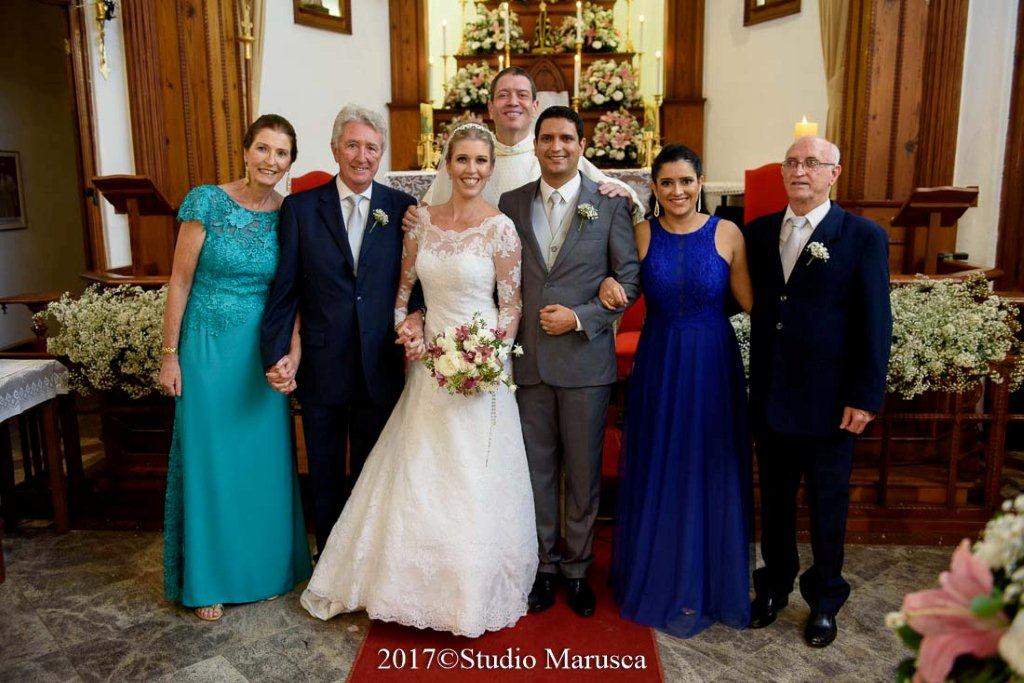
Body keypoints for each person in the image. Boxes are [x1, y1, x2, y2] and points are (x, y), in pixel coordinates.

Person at [300, 123, 537, 638]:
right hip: (429, 363)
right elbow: (403, 292)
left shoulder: (500, 228)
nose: (471, 169)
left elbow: (511, 304)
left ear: (490, 168)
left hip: (480, 365)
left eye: (481, 161)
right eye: (462, 159)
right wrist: (406, 329)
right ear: (447, 165)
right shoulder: (420, 220)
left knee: (471, 474)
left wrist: (489, 358)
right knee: (420, 468)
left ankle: (468, 590)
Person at [160, 114, 311, 622]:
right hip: (207, 349)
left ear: (291, 163)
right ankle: (209, 581)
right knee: (211, 462)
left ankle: (264, 572)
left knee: (261, 464)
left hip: (261, 353)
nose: (271, 160)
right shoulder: (206, 201)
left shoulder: (288, 213)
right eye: (263, 149)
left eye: (281, 153)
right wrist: (169, 353)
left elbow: (293, 292)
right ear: (246, 151)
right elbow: (180, 281)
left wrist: (291, 353)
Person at [598, 144, 753, 637]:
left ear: (701, 182)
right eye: (667, 183)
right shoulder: (641, 233)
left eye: (686, 181)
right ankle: (661, 574)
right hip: (661, 360)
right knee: (662, 460)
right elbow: (619, 287)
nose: (677, 191)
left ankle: (710, 580)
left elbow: (753, 302)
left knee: (709, 461)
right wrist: (606, 286)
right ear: (654, 188)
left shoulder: (728, 233)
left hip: (712, 362)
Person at [744, 136, 892, 647]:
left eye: (812, 163)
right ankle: (773, 588)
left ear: (834, 173)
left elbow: (876, 322)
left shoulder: (862, 236)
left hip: (831, 404)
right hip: (772, 397)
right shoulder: (759, 232)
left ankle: (825, 600)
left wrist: (865, 397)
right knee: (775, 504)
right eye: (792, 162)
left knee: (828, 507)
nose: (800, 171)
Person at [260, 105, 423, 556]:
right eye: (352, 145)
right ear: (335, 149)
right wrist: (276, 352)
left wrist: (418, 317)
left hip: (379, 363)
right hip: (322, 362)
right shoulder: (299, 209)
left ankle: (367, 559)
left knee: (374, 471)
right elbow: (285, 290)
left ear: (381, 153)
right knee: (325, 472)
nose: (362, 156)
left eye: (371, 147)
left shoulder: (403, 209)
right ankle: (330, 559)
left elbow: (418, 284)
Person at [498, 106, 640, 618]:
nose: (556, 147)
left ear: (582, 146)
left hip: (585, 363)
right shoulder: (511, 203)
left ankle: (578, 569)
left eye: (566, 138)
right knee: (536, 472)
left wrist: (581, 317)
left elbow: (628, 280)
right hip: (529, 362)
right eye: (547, 138)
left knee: (582, 473)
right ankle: (543, 567)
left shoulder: (609, 203)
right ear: (535, 146)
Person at [405, 67, 640, 230]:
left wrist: (624, 193)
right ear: (490, 108)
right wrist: (413, 215)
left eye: (522, 95)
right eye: (504, 95)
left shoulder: (553, 153)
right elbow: (429, 207)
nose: (513, 102)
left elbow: (612, 190)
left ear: (535, 106)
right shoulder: (473, 156)